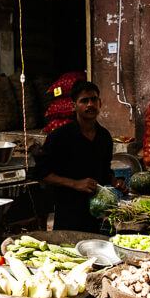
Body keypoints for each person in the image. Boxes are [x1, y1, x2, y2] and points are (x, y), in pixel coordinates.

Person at [33, 81, 115, 233]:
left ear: (100, 103)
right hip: (69, 215)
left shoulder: (105, 137)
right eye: (84, 101)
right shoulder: (59, 137)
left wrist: (115, 181)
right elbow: (40, 172)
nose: (90, 104)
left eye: (94, 99)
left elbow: (105, 170)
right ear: (73, 106)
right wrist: (75, 183)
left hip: (97, 215)